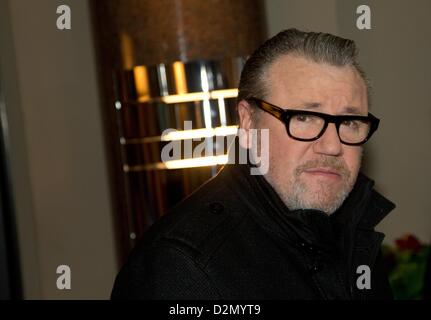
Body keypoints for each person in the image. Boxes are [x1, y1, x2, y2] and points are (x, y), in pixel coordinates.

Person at [111, 28, 395, 300]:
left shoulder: (352, 234)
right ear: (248, 122)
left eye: (349, 122)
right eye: (303, 118)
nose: (332, 146)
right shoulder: (183, 267)